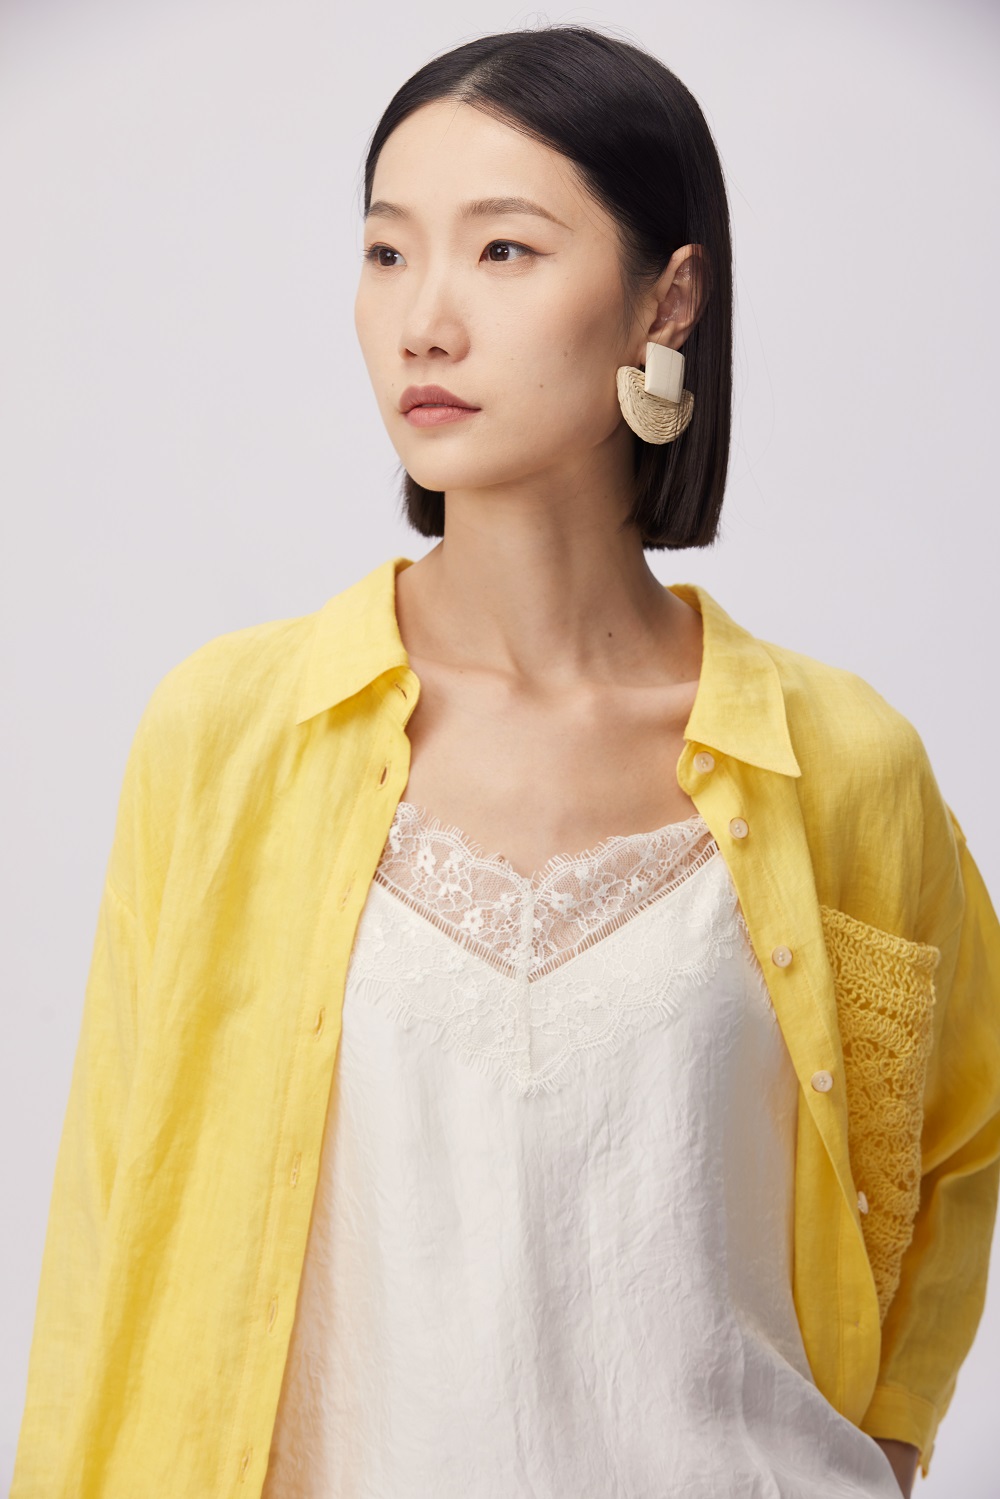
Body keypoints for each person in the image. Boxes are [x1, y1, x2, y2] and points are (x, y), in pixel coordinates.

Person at [11, 24, 1000, 1499]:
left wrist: (892, 1443)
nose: (424, 321)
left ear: (666, 299)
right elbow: (110, 1226)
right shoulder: (230, 735)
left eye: (503, 252)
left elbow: (956, 1137)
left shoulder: (836, 765)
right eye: (387, 253)